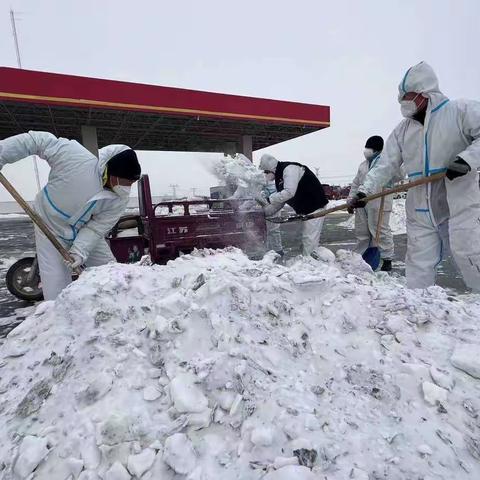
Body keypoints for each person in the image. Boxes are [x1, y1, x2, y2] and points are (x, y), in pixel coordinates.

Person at [349, 61, 480, 292]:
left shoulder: (460, 112)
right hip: (420, 207)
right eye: (401, 97)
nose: (403, 102)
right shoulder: (403, 130)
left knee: (471, 255)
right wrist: (364, 191)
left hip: (459, 203)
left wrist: (467, 159)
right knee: (418, 263)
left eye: (407, 96)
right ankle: (420, 311)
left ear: (424, 92)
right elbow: (385, 166)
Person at [0, 131, 141, 300]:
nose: (125, 187)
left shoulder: (120, 199)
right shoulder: (76, 158)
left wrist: (79, 251)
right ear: (109, 171)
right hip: (50, 225)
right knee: (56, 285)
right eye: (124, 182)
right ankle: (63, 317)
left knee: (109, 271)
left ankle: (115, 306)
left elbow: (96, 228)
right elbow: (37, 140)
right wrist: (3, 152)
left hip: (82, 229)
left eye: (130, 183)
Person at [258, 154, 328, 256]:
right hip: (304, 210)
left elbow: (289, 192)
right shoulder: (280, 178)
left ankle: (312, 264)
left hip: (315, 207)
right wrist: (264, 213)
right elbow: (280, 201)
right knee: (302, 238)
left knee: (309, 239)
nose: (265, 175)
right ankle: (304, 262)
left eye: (266, 172)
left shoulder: (289, 169)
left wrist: (269, 199)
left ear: (272, 169)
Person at [348, 135, 398, 272]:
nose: (367, 150)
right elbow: (356, 184)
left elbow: (397, 175)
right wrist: (350, 201)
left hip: (379, 201)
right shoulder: (363, 165)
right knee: (362, 230)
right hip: (361, 202)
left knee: (379, 230)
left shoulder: (385, 162)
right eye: (367, 147)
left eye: (371, 148)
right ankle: (361, 257)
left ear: (378, 149)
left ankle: (387, 259)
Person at [261, 180, 284, 256]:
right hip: (265, 207)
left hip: (273, 206)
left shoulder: (275, 182)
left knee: (273, 230)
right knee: (266, 231)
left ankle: (278, 252)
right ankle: (268, 251)